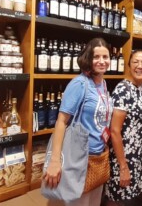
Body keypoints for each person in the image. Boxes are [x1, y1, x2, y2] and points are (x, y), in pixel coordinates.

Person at [43, 38, 113, 206]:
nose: (102, 61)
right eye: (96, 57)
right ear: (88, 58)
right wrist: (55, 161)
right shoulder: (80, 84)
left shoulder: (102, 84)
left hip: (98, 157)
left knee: (93, 202)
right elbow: (61, 122)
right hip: (79, 157)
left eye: (106, 57)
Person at [105, 50, 142, 205]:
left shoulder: (140, 88)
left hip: (136, 155)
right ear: (129, 66)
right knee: (117, 196)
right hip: (124, 156)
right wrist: (123, 166)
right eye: (136, 62)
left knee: (126, 196)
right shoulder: (123, 89)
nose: (140, 66)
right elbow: (115, 131)